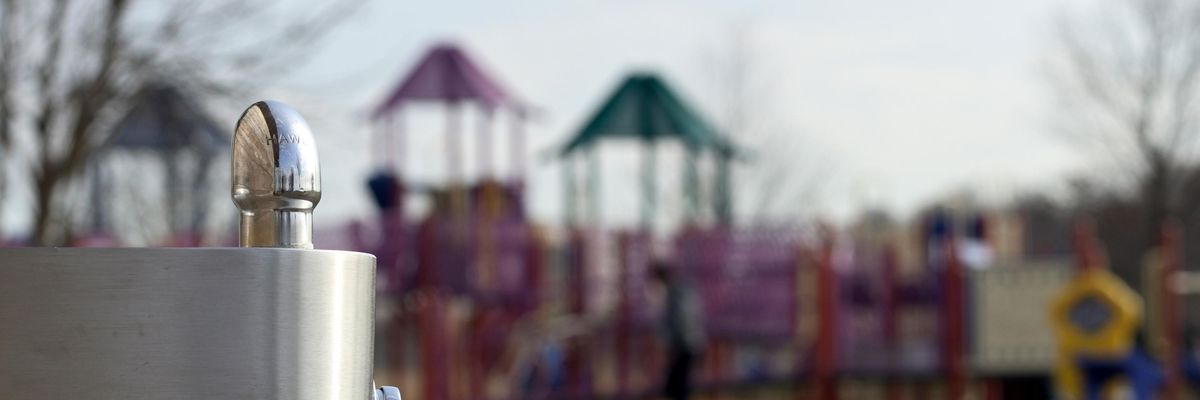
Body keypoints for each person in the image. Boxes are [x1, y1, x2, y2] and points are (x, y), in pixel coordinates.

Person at [650, 260, 705, 400]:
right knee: (678, 385)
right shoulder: (683, 288)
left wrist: (674, 343)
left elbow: (680, 319)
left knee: (675, 386)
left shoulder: (674, 292)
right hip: (690, 343)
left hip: (683, 345)